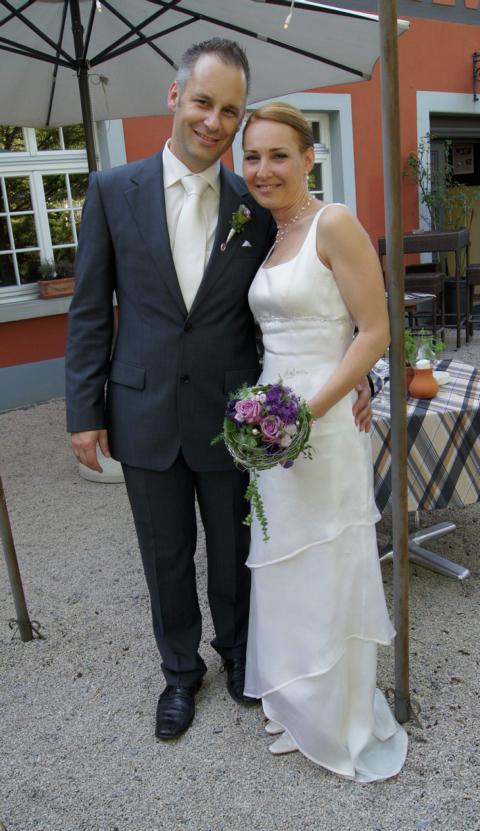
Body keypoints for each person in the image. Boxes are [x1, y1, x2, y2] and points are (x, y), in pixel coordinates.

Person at [65, 40, 372, 743]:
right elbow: (88, 311)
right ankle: (180, 671)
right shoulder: (112, 191)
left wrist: (363, 372)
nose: (214, 121)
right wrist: (83, 411)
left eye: (230, 110)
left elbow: (310, 298)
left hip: (232, 414)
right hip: (141, 407)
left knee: (236, 548)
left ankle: (238, 653)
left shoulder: (255, 203)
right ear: (175, 97)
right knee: (164, 552)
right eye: (203, 102)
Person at [242, 103, 407, 781]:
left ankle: (337, 712)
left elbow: (376, 329)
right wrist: (266, 419)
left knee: (328, 556)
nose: (263, 169)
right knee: (285, 559)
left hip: (323, 420)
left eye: (279, 155)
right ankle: (297, 696)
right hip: (271, 419)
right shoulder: (270, 233)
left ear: (310, 158)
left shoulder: (333, 222)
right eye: (252, 156)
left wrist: (308, 413)